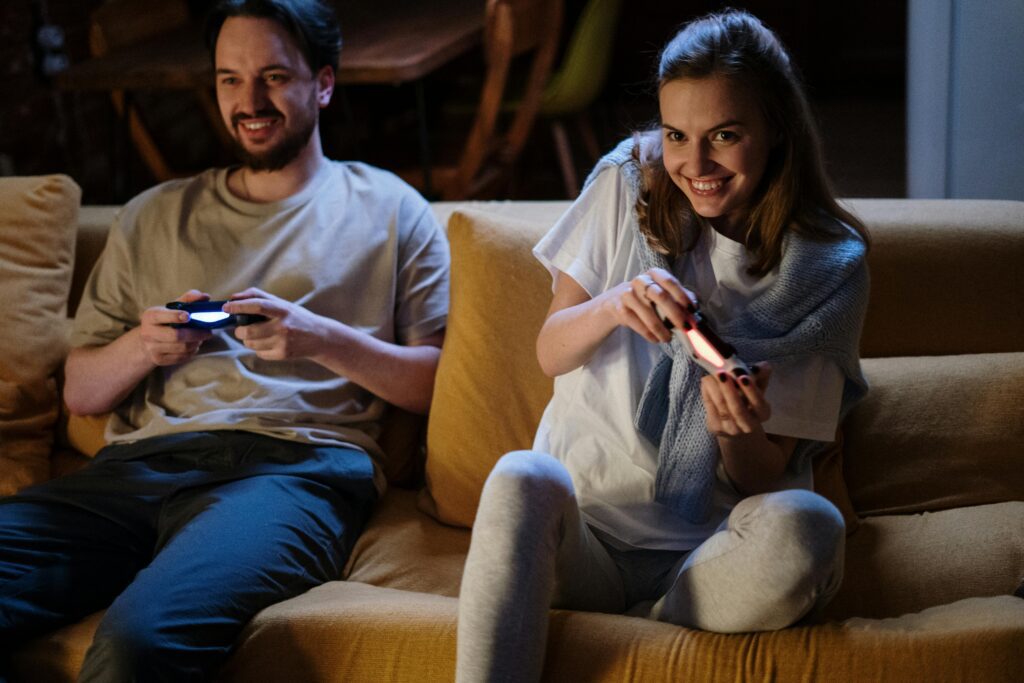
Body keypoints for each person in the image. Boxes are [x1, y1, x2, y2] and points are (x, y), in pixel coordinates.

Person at [0, 0, 449, 680]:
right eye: (229, 80)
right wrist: (142, 348)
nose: (250, 101)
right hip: (136, 471)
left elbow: (432, 382)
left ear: (323, 83)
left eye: (273, 76)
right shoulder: (153, 215)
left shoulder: (390, 209)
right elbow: (82, 391)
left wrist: (318, 337)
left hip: (292, 473)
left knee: (136, 648)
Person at [456, 9, 870, 682]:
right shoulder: (626, 182)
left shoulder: (823, 268)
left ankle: (654, 623)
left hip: (707, 558)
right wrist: (611, 306)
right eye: (677, 133)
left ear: (776, 130)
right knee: (519, 475)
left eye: (725, 135)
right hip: (585, 533)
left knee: (811, 525)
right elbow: (550, 351)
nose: (694, 164)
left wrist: (734, 429)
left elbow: (763, 477)